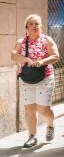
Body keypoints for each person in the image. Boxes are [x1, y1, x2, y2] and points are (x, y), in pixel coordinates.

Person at [11, 14, 59, 147]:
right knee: (29, 109)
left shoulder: (46, 40)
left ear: (40, 26)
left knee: (43, 109)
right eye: (31, 23)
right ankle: (32, 136)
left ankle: (50, 125)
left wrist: (42, 61)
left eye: (36, 23)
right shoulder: (21, 41)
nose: (34, 26)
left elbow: (56, 56)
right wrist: (27, 60)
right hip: (26, 78)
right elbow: (13, 55)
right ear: (26, 27)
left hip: (45, 77)